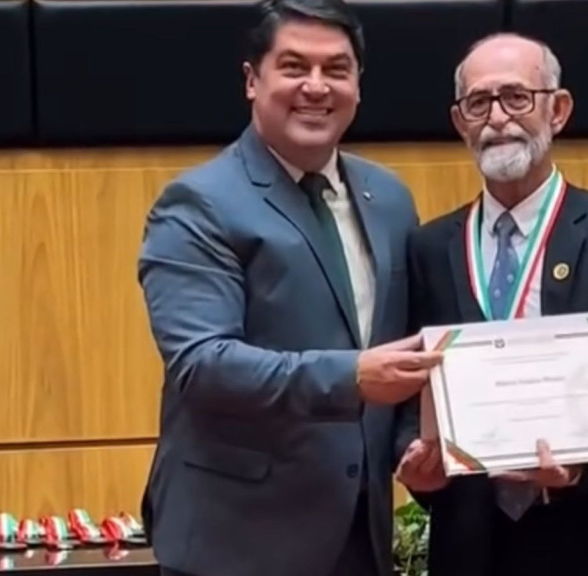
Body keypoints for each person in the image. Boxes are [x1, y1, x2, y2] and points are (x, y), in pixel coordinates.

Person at [136, 1, 441, 576]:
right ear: (253, 80)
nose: (316, 87)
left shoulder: (390, 198)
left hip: (359, 532)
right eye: (295, 66)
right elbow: (203, 364)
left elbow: (399, 350)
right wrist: (350, 377)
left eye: (337, 69)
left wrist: (411, 446)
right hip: (237, 540)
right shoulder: (199, 203)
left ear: (358, 84)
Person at [395, 33, 588, 576]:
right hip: (475, 545)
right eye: (479, 102)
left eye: (516, 97)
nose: (498, 118)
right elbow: (409, 397)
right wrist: (417, 462)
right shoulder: (429, 247)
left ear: (557, 110)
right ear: (460, 121)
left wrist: (584, 464)